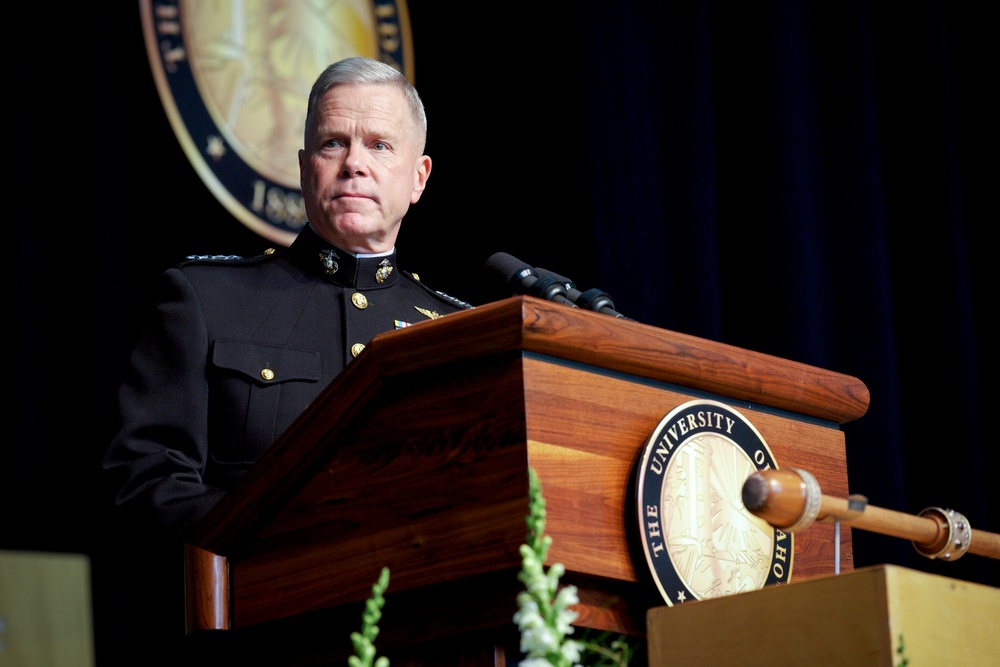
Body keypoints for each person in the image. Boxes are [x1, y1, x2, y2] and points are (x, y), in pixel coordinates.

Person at [100, 56, 473, 663]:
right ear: (305, 169)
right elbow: (145, 483)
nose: (355, 162)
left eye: (380, 145)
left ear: (418, 177)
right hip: (259, 637)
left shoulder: (461, 330)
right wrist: (288, 543)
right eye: (333, 142)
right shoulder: (207, 300)